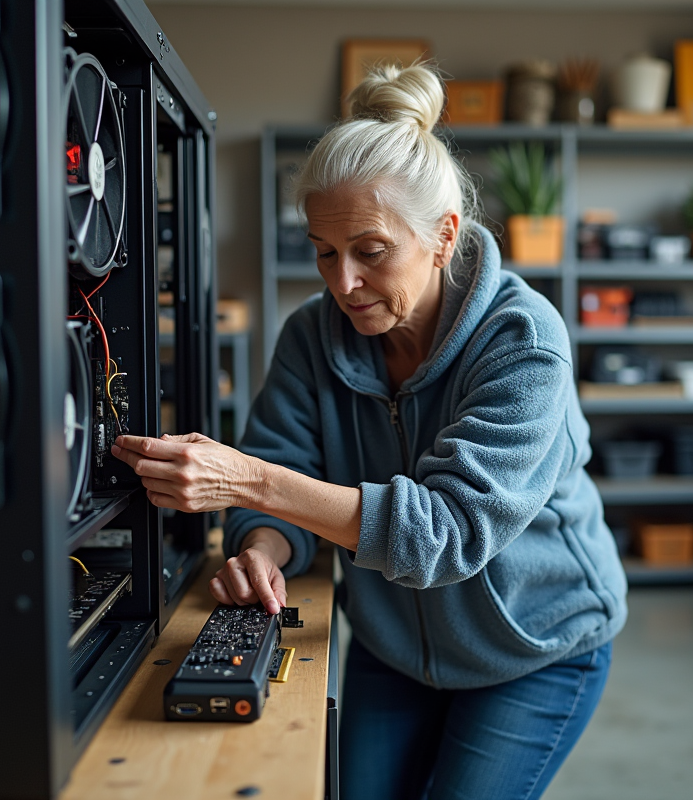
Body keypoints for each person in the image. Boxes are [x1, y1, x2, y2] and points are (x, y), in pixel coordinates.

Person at [111, 62, 627, 800]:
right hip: (392, 645)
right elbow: (283, 463)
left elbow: (443, 533)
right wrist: (264, 547)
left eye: (371, 251)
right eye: (324, 251)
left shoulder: (524, 342)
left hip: (534, 648)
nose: (341, 282)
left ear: (444, 236)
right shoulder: (312, 336)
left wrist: (246, 480)